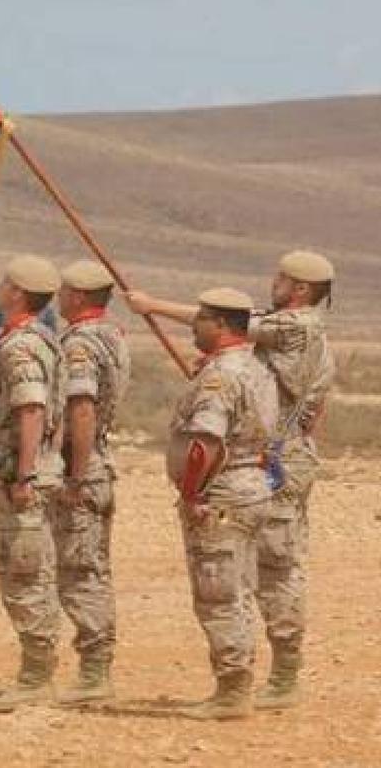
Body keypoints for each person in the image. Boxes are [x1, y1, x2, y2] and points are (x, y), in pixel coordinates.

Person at [126, 250, 335, 711]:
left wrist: (153, 306)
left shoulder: (295, 326)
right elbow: (315, 408)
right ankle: (279, 674)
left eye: (282, 278)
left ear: (300, 289)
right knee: (268, 567)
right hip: (282, 452)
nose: (273, 281)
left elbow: (238, 323)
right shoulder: (302, 341)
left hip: (268, 459)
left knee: (259, 571)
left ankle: (269, 681)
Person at [162, 287, 277, 720]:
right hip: (254, 485)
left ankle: (232, 692)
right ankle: (239, 682)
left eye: (202, 318)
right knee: (240, 590)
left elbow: (204, 444)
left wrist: (193, 494)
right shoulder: (256, 368)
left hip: (222, 493)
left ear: (222, 325)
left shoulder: (219, 377)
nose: (195, 325)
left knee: (218, 595)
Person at [0, 256, 65, 714]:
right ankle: (38, 669)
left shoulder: (21, 348)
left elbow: (31, 410)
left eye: (5, 282)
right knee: (31, 571)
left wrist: (25, 473)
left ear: (17, 293)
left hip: (21, 475)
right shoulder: (38, 340)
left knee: (24, 574)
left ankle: (36, 675)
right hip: (29, 470)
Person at [52, 260, 131, 704]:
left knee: (82, 571)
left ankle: (94, 671)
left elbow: (80, 410)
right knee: (91, 566)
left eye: (64, 291)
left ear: (79, 297)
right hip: (100, 459)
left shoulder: (80, 343)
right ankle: (95, 666)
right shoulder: (113, 336)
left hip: (83, 465)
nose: (59, 297)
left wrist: (75, 476)